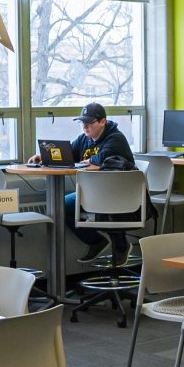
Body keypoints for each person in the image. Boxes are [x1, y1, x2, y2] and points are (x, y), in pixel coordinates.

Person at [31, 102, 137, 264]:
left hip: (120, 194)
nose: (85, 127)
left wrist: (89, 160)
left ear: (103, 121)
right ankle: (96, 241)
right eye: (82, 123)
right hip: (96, 191)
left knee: (86, 205)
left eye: (89, 123)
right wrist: (44, 156)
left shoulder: (116, 138)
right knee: (63, 205)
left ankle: (120, 245)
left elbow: (103, 158)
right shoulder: (84, 139)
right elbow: (70, 154)